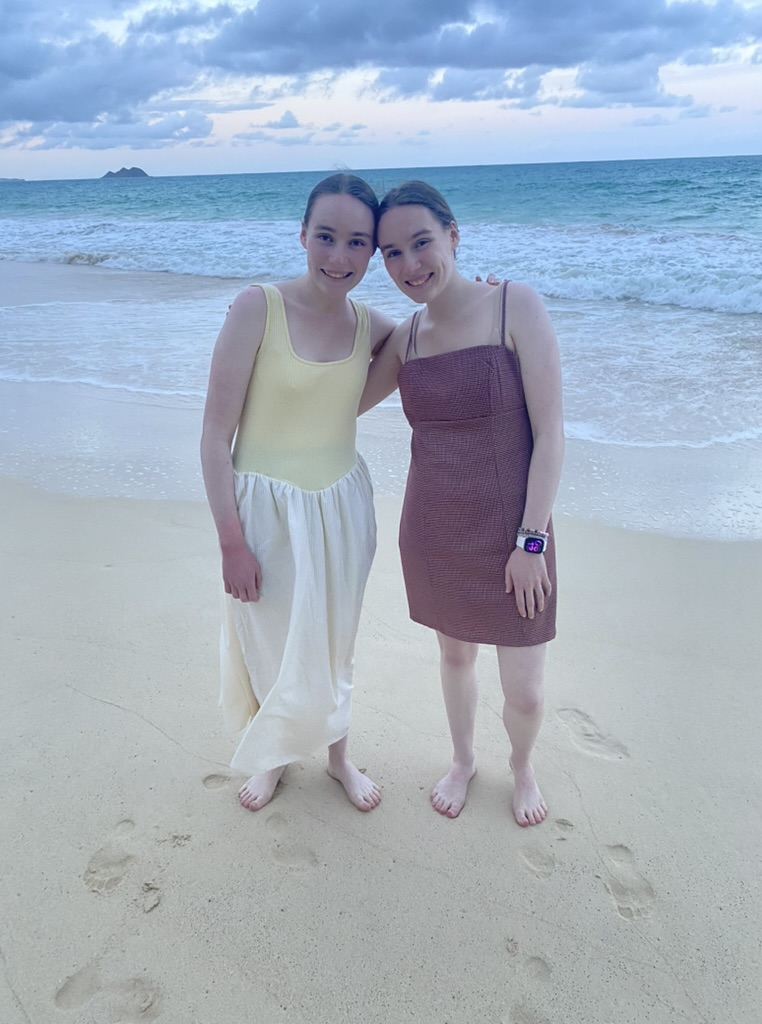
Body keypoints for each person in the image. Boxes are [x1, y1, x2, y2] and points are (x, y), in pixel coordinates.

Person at [359, 181, 564, 826]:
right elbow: (341, 400)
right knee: (453, 655)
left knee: (526, 691)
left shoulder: (514, 306)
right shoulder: (406, 339)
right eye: (391, 253)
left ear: (454, 233)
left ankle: (523, 767)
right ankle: (463, 758)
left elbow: (552, 434)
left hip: (513, 532)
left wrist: (531, 542)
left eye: (421, 242)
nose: (409, 265)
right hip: (435, 527)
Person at [201, 173, 395, 813]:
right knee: (270, 638)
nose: (339, 257)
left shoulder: (373, 326)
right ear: (303, 235)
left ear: (373, 251)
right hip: (263, 511)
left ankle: (339, 756)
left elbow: (435, 336)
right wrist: (231, 540)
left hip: (343, 506)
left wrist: (481, 298)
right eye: (326, 237)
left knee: (336, 638)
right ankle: (275, 755)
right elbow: (213, 434)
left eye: (357, 243)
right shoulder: (258, 306)